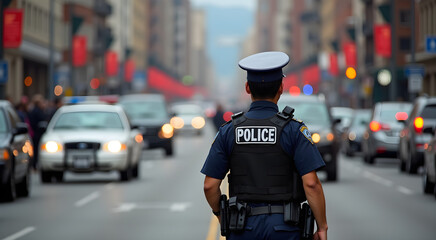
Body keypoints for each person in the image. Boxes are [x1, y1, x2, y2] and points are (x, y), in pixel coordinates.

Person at [201, 52, 328, 240]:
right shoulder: (293, 129)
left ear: (247, 88)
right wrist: (322, 226)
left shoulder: (230, 130)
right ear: (281, 88)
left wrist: (222, 216)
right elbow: (311, 183)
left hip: (242, 227)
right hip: (286, 228)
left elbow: (210, 186)